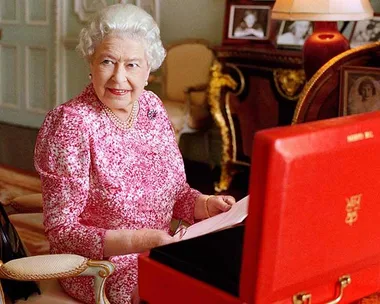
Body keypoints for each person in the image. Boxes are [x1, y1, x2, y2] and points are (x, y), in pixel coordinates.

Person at [34, 4, 235, 304]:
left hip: (161, 251)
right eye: (107, 61)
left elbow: (176, 193)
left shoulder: (152, 107)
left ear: (148, 71)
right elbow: (61, 231)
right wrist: (141, 240)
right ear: (90, 62)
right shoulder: (72, 123)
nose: (118, 77)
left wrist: (205, 205)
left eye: (132, 65)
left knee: (229, 276)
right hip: (100, 268)